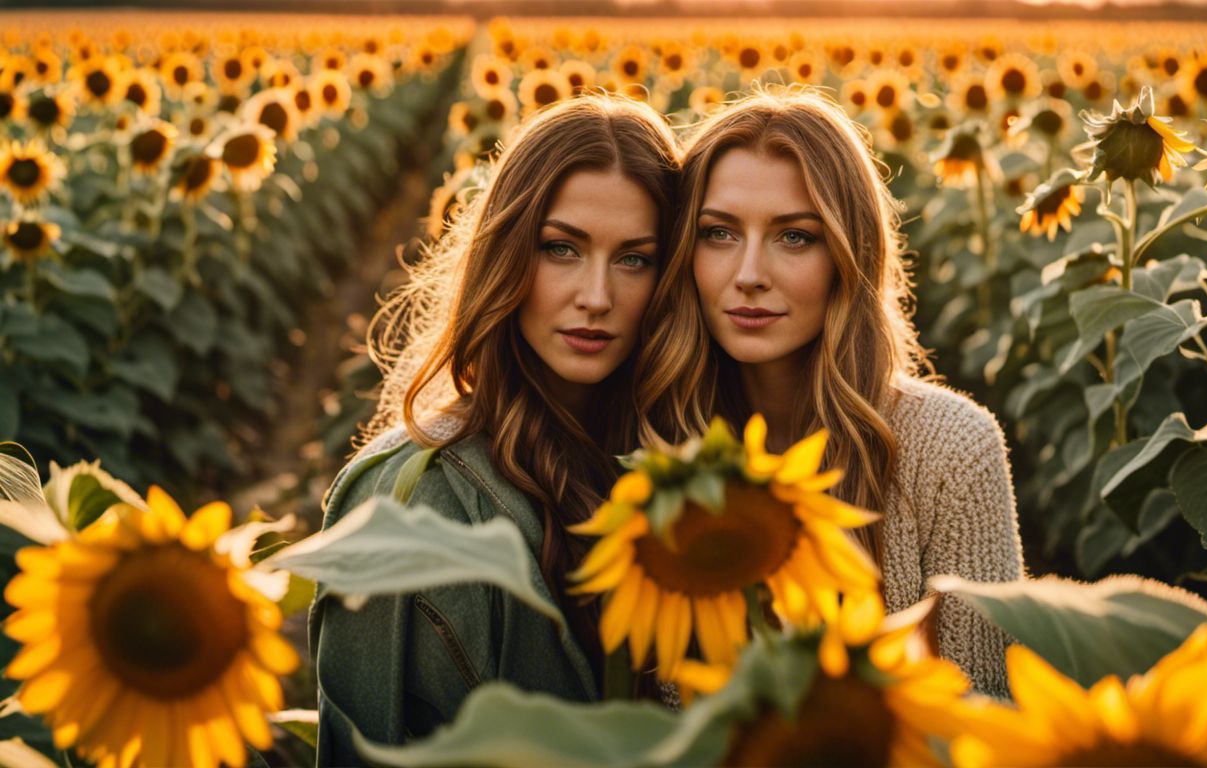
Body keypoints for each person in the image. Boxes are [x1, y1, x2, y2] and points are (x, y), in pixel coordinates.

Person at [310, 94, 680, 765]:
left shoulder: (685, 471)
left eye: (635, 259)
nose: (595, 295)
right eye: (561, 248)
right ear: (508, 254)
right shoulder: (407, 500)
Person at [635, 86, 1024, 696]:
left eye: (795, 236)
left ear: (850, 253)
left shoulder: (949, 452)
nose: (749, 276)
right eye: (719, 234)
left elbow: (987, 712)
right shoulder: (656, 445)